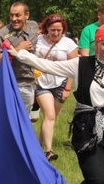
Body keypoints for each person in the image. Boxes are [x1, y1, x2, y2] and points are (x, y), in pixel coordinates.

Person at [8, 23, 104, 184]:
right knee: (98, 181)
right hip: (87, 131)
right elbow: (48, 66)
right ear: (96, 45)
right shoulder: (81, 65)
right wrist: (20, 54)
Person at [32, 14, 78, 161]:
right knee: (50, 115)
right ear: (47, 28)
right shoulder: (38, 41)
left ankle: (37, 145)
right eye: (53, 30)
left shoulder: (69, 44)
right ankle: (49, 151)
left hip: (61, 83)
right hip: (41, 82)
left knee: (50, 118)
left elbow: (74, 67)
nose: (56, 33)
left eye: (59, 30)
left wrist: (67, 88)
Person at [0, 2, 39, 117]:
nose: (14, 19)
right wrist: (17, 49)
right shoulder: (2, 34)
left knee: (24, 119)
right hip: (8, 83)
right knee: (7, 118)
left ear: (26, 15)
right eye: (11, 15)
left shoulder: (34, 26)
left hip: (27, 82)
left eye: (18, 15)